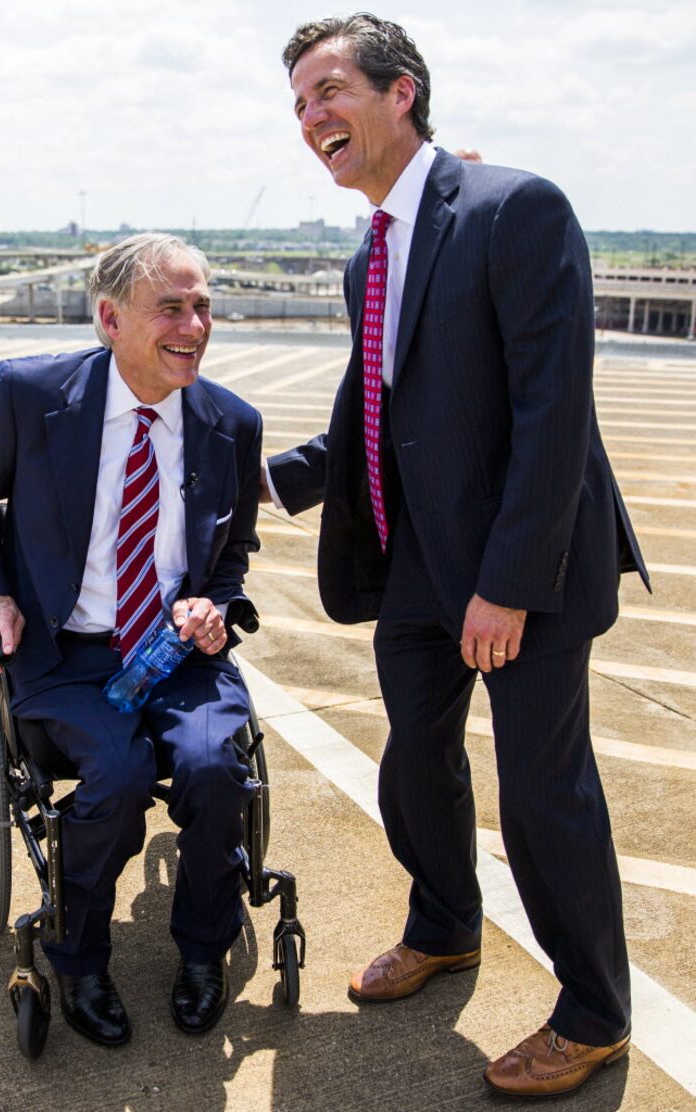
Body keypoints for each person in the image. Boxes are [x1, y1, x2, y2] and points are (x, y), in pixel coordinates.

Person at [264, 14, 649, 1099]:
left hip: (523, 562)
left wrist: (506, 585)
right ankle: (442, 922)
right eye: (296, 103)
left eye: (327, 89)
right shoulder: (367, 251)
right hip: (419, 562)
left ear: (401, 93)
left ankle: (593, 1010)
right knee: (413, 764)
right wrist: (274, 477)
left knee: (540, 789)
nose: (310, 117)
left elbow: (550, 410)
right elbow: (380, 416)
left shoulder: (510, 206)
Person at [0, 233, 263, 1045]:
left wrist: (212, 607)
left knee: (217, 766)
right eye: (172, 308)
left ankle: (200, 951)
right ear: (111, 318)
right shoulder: (33, 395)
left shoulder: (230, 422)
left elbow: (233, 556)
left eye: (203, 307)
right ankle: (77, 959)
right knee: (113, 779)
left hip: (176, 650)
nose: (194, 324)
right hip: (68, 649)